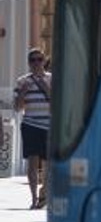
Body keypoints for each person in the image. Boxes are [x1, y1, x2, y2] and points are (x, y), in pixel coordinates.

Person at [14, 48, 52, 210]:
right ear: (29, 63)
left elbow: (59, 102)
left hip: (49, 126)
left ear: (44, 61)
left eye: (39, 59)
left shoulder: (52, 79)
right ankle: (34, 198)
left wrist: (45, 88)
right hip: (30, 125)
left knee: (48, 164)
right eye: (32, 60)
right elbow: (17, 107)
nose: (36, 63)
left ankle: (44, 194)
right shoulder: (22, 81)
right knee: (32, 164)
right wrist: (22, 93)